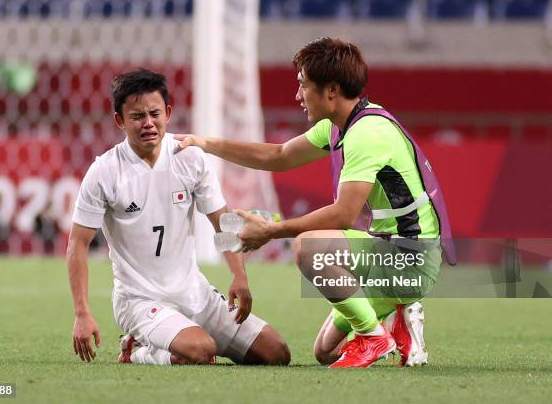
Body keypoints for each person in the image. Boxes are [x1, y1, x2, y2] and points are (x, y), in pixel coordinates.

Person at [175, 37, 455, 368]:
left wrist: (272, 230)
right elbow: (279, 156)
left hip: (410, 259)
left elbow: (344, 215)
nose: (298, 96)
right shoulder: (341, 125)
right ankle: (400, 322)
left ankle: (373, 336)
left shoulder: (367, 134)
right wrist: (205, 143)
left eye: (303, 85)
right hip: (389, 252)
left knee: (309, 248)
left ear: (332, 90)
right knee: (324, 352)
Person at [67, 69, 290, 366]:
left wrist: (239, 276)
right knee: (201, 351)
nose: (148, 123)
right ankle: (138, 351)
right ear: (119, 120)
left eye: (154, 113)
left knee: (276, 353)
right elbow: (77, 244)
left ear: (168, 113)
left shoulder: (190, 157)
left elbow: (221, 221)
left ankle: (171, 342)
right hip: (140, 301)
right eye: (137, 116)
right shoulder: (104, 172)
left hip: (195, 294)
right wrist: (82, 314)